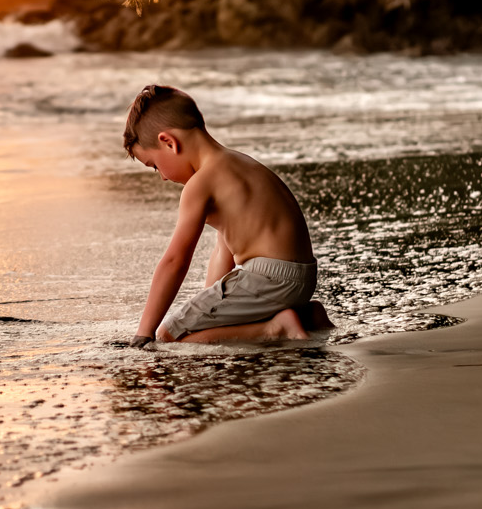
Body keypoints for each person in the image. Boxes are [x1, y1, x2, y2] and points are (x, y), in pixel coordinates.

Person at [124, 84, 329, 344]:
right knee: (199, 323)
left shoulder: (200, 184)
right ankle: (309, 317)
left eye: (154, 166)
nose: (163, 177)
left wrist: (144, 332)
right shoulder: (241, 163)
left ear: (169, 142)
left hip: (265, 280)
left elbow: (175, 261)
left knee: (171, 335)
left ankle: (276, 329)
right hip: (302, 280)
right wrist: (208, 307)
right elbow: (224, 251)